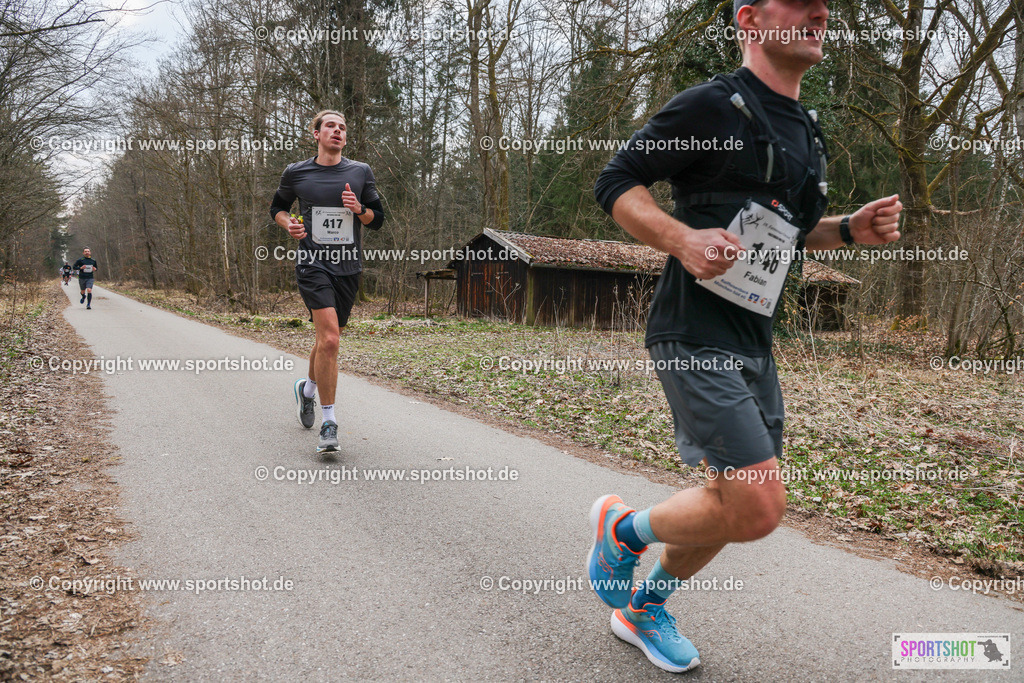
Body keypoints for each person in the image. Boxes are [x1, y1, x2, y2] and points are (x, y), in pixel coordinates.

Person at [588, 0, 902, 672]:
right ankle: (623, 530)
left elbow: (785, 232)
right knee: (758, 506)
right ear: (751, 18)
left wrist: (847, 229)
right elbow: (616, 181)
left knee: (732, 501)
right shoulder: (713, 106)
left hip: (753, 343)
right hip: (692, 332)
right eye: (802, 3)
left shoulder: (807, 130)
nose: (820, 12)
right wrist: (680, 238)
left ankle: (643, 607)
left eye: (826, 7)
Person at [270, 110, 385, 453]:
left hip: (348, 268)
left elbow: (377, 219)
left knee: (326, 340)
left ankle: (307, 390)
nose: (338, 131)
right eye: (331, 126)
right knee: (331, 341)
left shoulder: (360, 171)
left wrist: (358, 209)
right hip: (312, 263)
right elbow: (277, 207)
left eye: (343, 127)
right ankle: (329, 423)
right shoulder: (296, 172)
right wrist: (288, 223)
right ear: (316, 134)